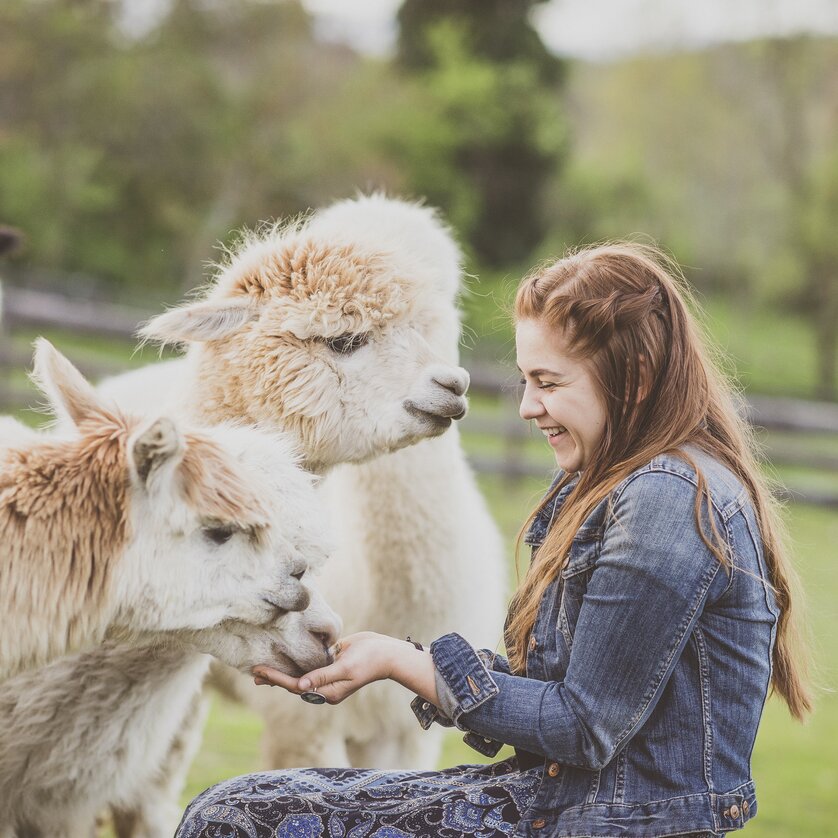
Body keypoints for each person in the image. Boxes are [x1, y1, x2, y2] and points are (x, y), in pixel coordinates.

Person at [176, 242, 812, 838]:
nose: (528, 406)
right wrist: (393, 657)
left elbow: (584, 726)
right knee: (236, 806)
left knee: (235, 820)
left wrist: (409, 665)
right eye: (525, 381)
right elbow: (575, 695)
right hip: (563, 801)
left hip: (601, 819)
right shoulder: (631, 484)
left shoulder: (666, 500)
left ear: (637, 376)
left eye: (550, 382)